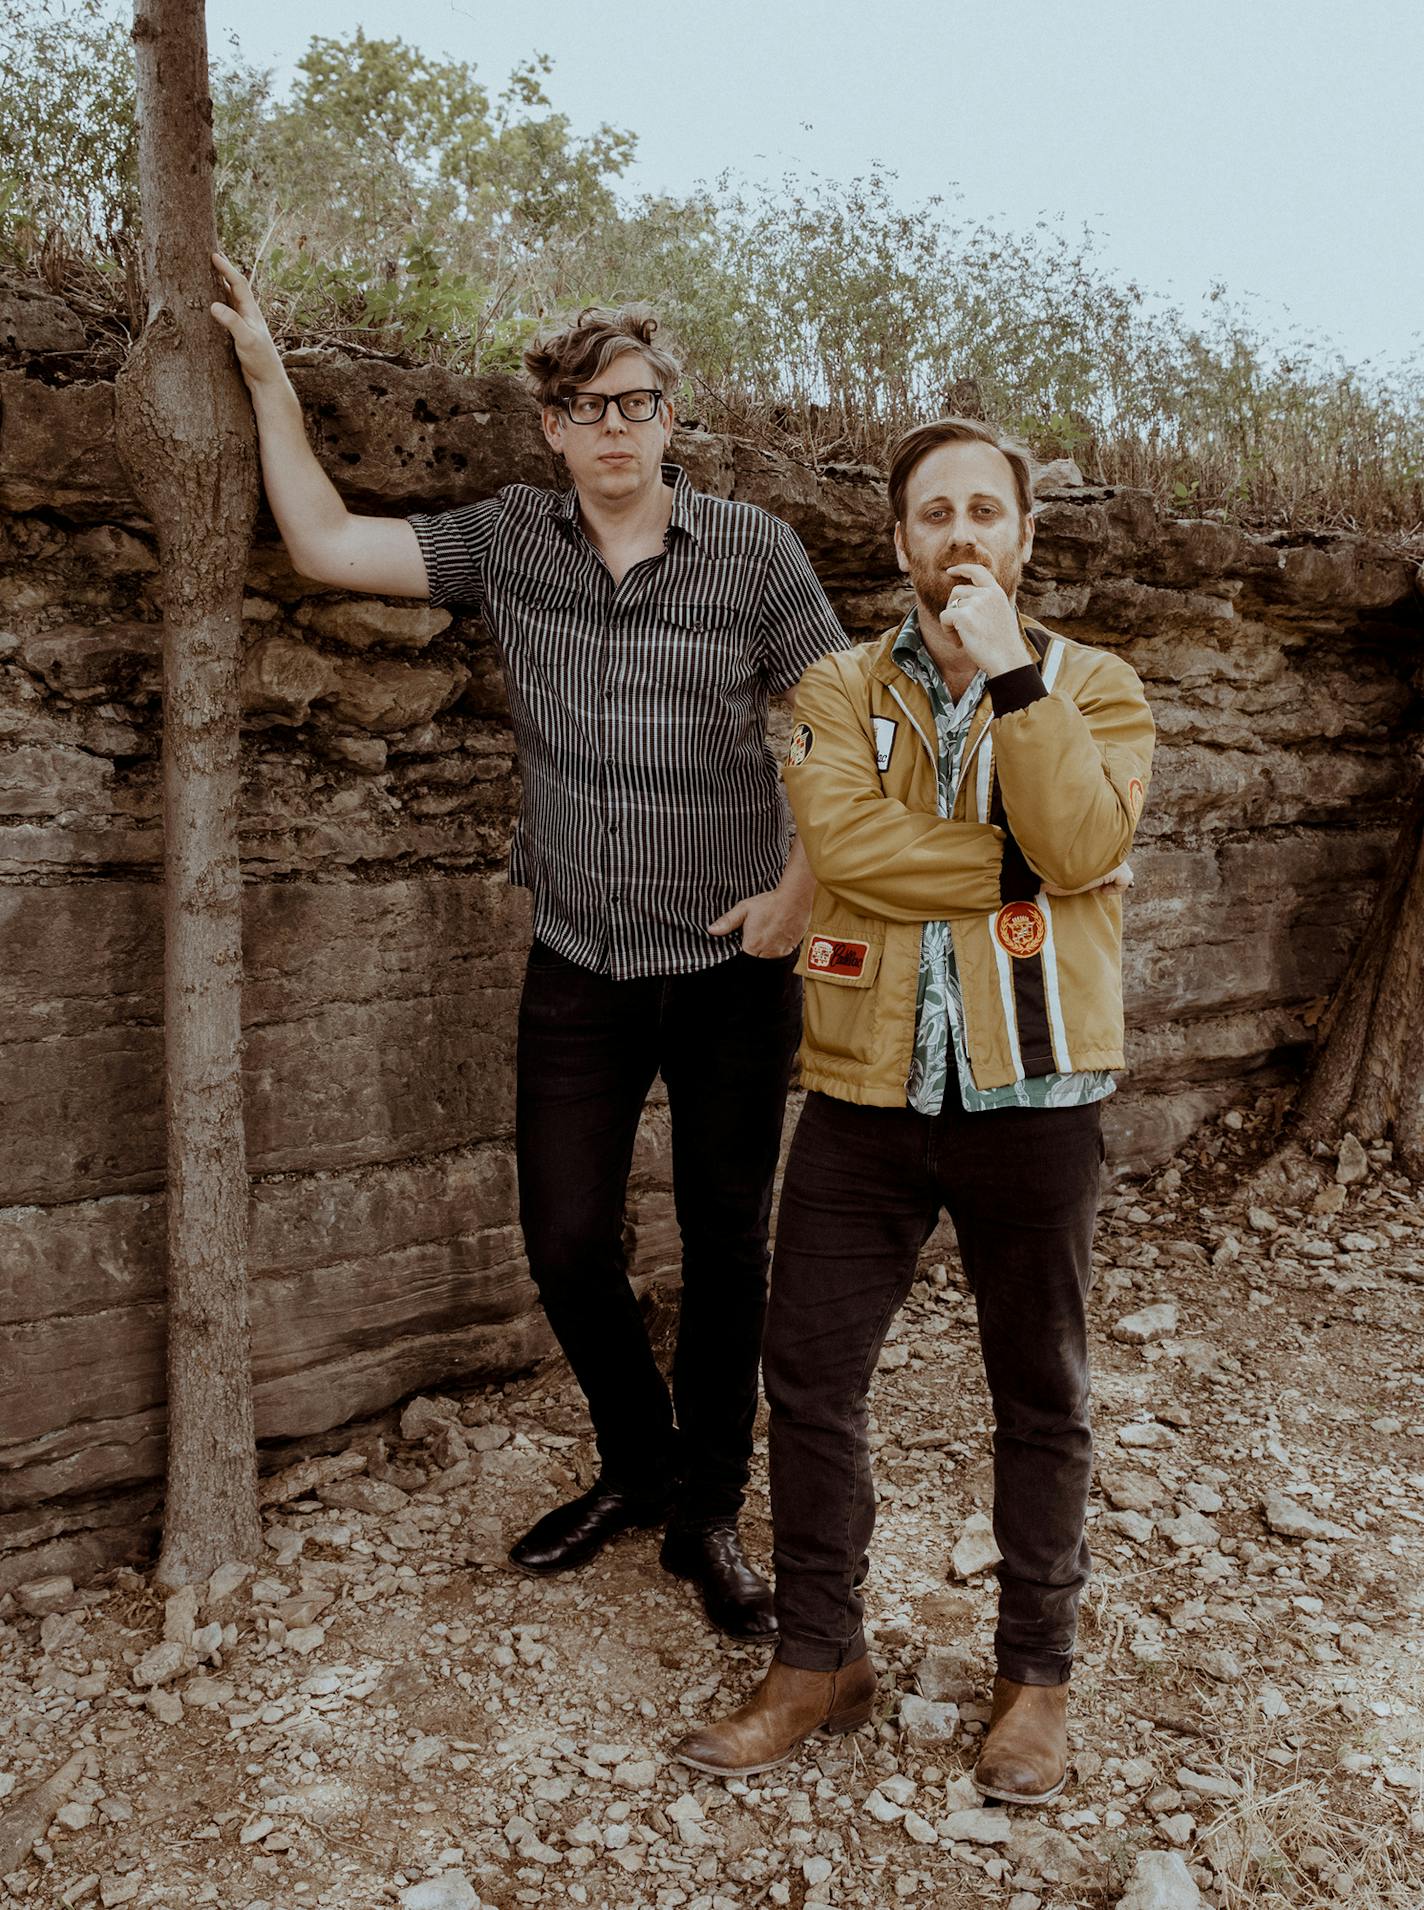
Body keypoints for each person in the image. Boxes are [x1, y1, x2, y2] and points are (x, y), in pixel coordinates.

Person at [210, 259, 847, 1640]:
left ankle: (710, 1511)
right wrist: (267, 378)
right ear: (550, 428)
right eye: (583, 407)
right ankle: (638, 1458)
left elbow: (837, 731)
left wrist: (804, 886)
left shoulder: (758, 551)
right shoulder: (510, 539)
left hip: (736, 958)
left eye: (636, 402)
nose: (614, 428)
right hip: (581, 959)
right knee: (565, 1239)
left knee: (727, 1243)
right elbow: (323, 543)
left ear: (671, 417)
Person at [675, 416, 1154, 1792]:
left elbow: (1088, 834)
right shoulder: (837, 686)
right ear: (898, 542)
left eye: (984, 512)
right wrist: (1031, 876)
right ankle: (820, 1654)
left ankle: (1033, 1681)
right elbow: (848, 847)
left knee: (1041, 1394)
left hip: (1039, 1089)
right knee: (811, 1379)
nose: (959, 535)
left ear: (1022, 536)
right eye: (933, 514)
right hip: (864, 1092)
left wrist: (1012, 677)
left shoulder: (1098, 688)